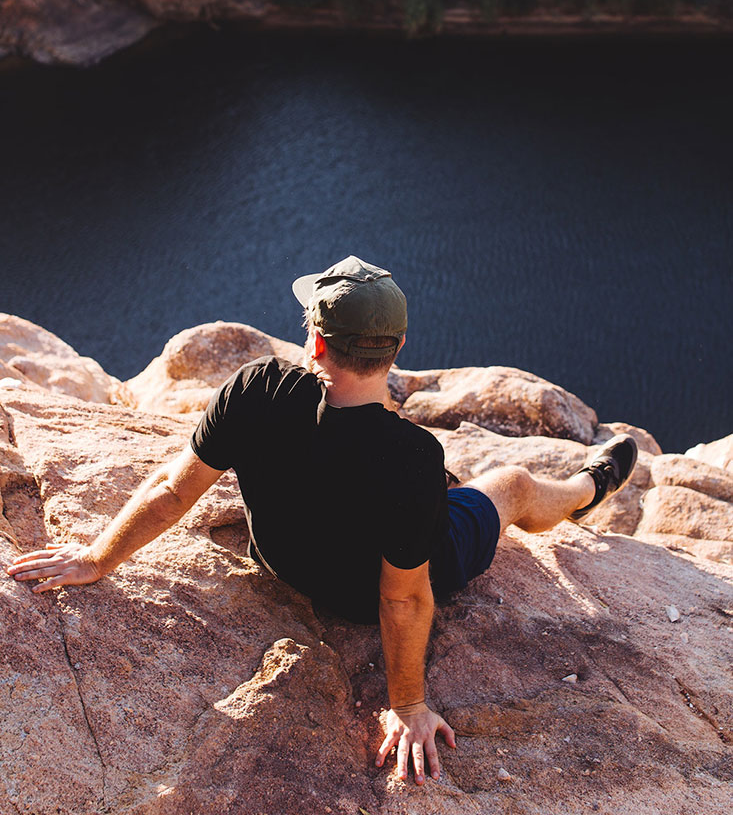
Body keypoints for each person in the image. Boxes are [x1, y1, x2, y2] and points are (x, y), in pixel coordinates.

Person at [6, 255, 638, 786]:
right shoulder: (411, 456)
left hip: (284, 559)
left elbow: (175, 490)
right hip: (365, 596)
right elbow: (404, 598)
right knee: (511, 484)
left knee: (442, 489)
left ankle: (532, 493)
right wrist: (407, 704)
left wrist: (97, 557)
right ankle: (587, 489)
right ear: (397, 350)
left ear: (314, 340)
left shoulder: (253, 390)